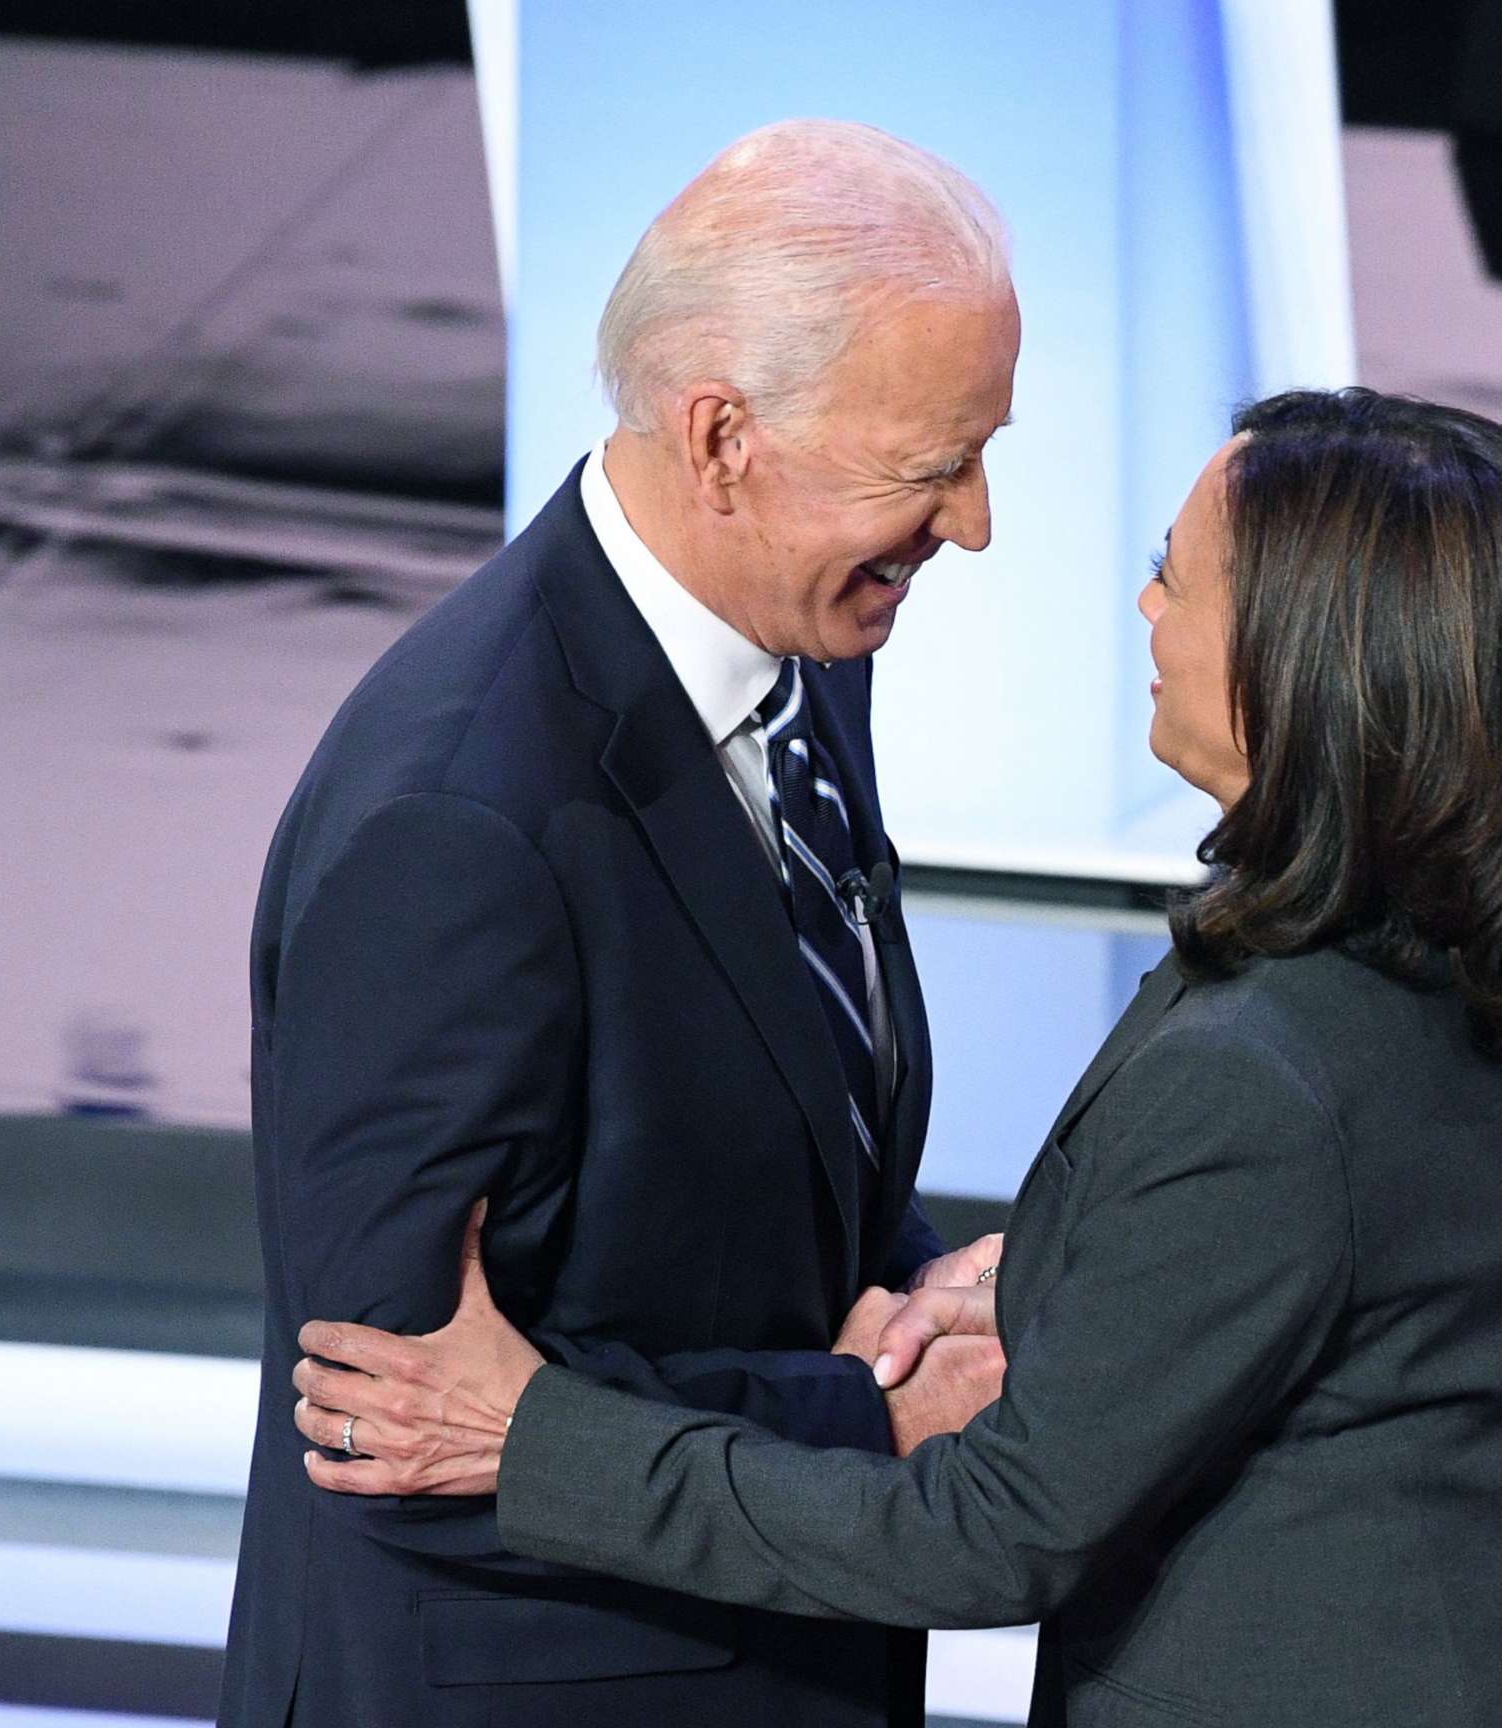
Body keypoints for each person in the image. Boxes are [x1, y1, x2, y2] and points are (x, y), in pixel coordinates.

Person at [292, 389, 1502, 1725]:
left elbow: (992, 1533)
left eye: (1179, 580)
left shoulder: (1259, 1076)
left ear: (1313, 665)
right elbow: (1377, 1245)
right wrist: (1075, 1270)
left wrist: (531, 1435)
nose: (1145, 606)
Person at [219, 120, 1020, 1728]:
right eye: (931, 467)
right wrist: (869, 1417)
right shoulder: (458, 823)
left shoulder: (800, 649)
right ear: (721, 435)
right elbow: (388, 1413)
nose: (977, 522)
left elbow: (784, 1166)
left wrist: (926, 1298)